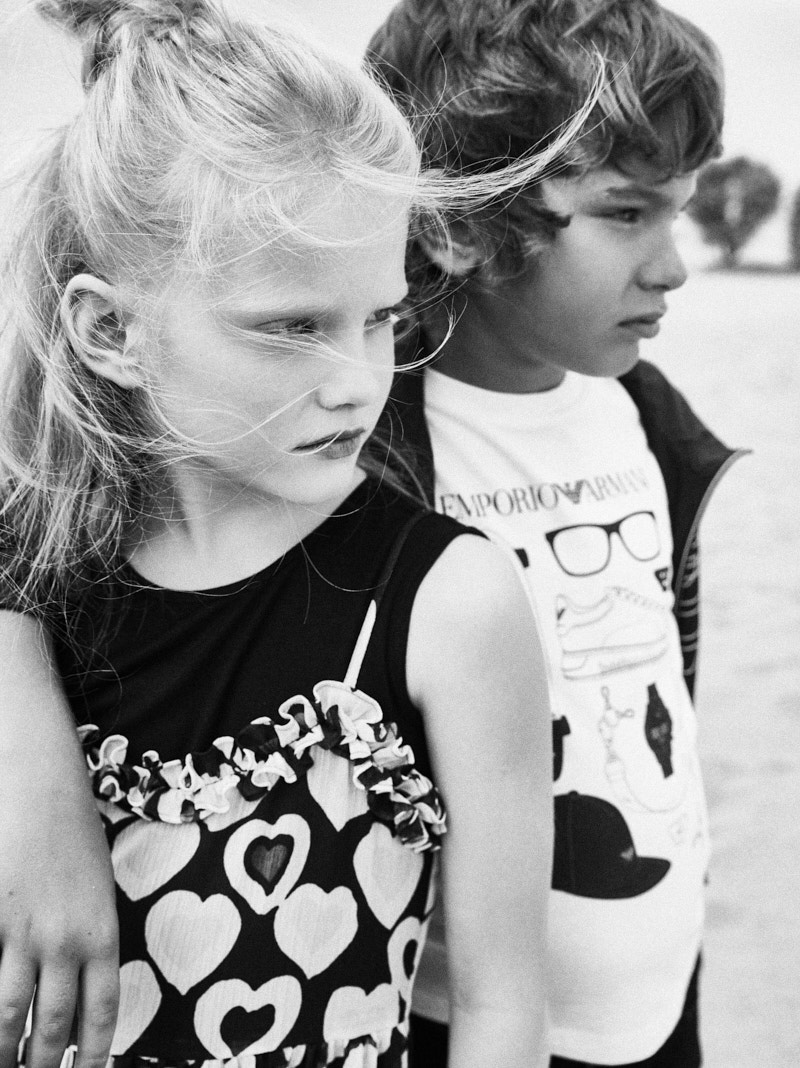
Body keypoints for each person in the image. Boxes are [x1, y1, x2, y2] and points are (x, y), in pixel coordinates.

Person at [0, 0, 605, 1065]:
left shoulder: (445, 604)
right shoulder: (37, 584)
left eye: (379, 318)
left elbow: (503, 1008)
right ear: (109, 332)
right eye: (290, 327)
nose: (357, 385)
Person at [367, 1, 748, 1066]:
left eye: (677, 212)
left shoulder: (651, 426)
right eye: (625, 215)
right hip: (459, 1025)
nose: (671, 265)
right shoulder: (357, 452)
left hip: (666, 1007)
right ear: (459, 219)